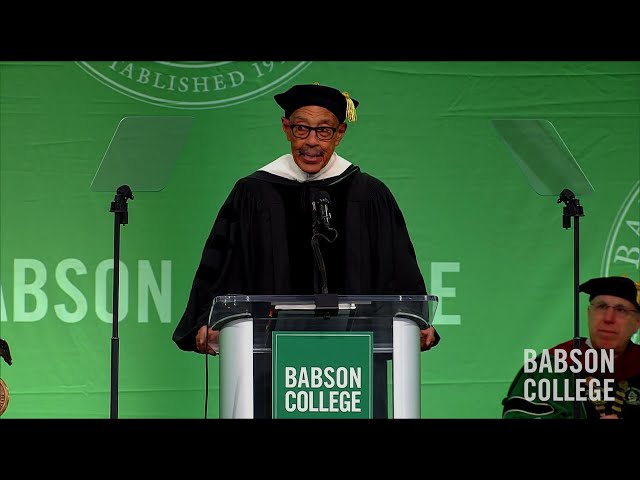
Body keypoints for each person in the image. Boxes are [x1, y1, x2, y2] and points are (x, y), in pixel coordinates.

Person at [172, 82, 441, 417]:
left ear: (340, 133)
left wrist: (414, 319)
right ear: (287, 128)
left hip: (353, 362)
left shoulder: (370, 195)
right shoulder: (253, 193)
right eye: (302, 128)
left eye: (324, 131)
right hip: (268, 359)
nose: (312, 141)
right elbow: (225, 263)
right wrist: (206, 320)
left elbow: (397, 265)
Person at [502, 275, 640, 419]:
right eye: (601, 307)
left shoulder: (636, 365)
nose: (608, 318)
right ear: (589, 314)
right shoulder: (551, 369)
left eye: (621, 310)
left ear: (637, 323)